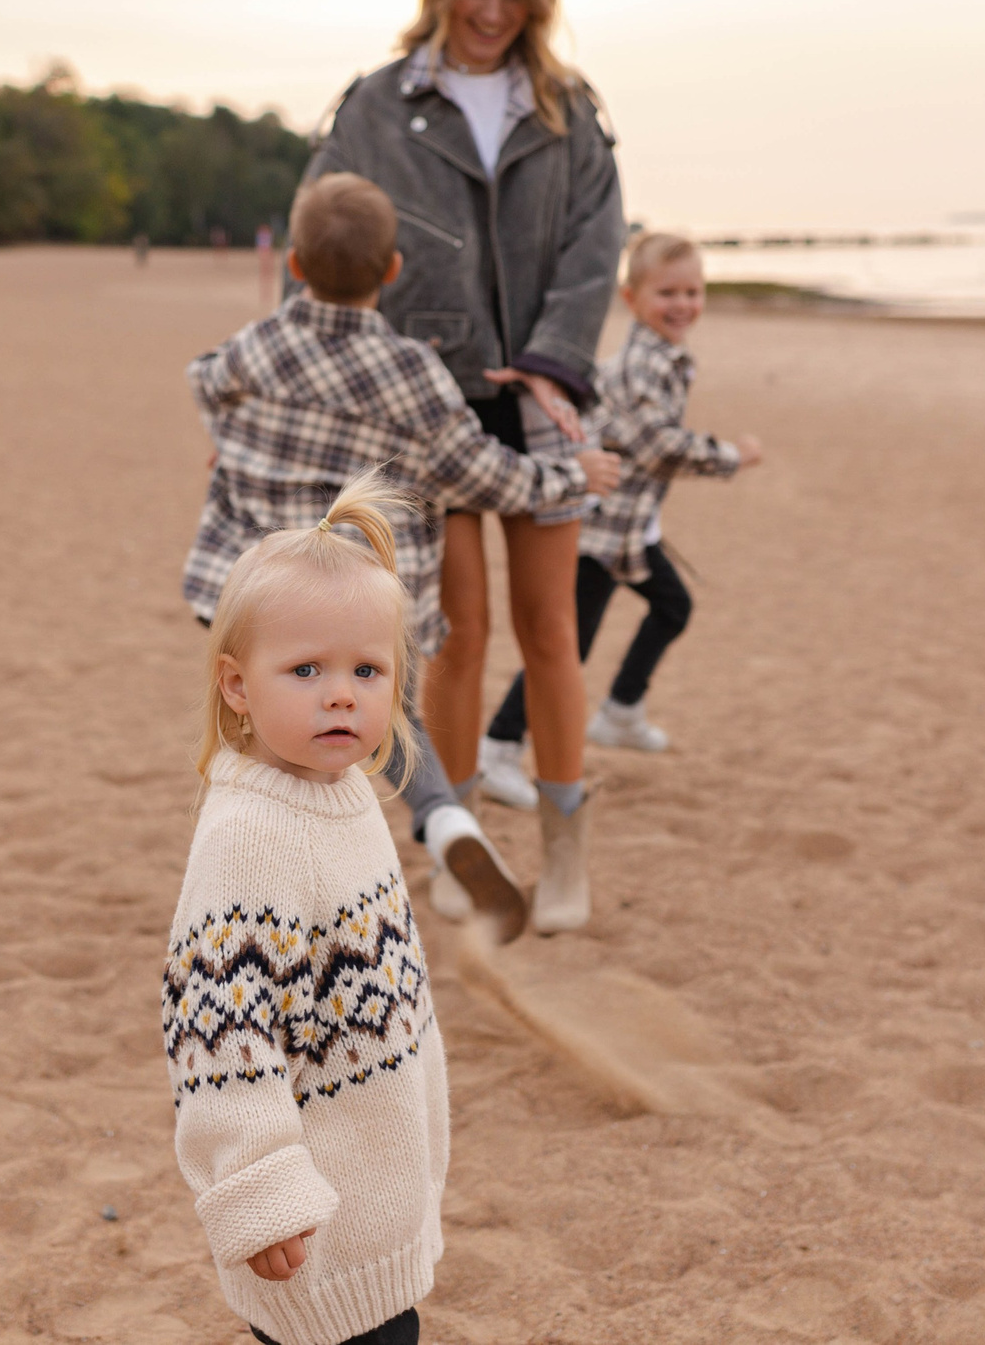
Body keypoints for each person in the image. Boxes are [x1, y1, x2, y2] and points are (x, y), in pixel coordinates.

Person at [300, 0, 624, 934]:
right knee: (453, 633)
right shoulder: (373, 106)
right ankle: (462, 843)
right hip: (422, 404)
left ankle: (565, 856)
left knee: (550, 630)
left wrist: (553, 365)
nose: (490, 11)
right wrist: (317, 382)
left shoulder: (568, 110)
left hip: (544, 401)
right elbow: (322, 231)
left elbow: (595, 247)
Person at [184, 173, 622, 943]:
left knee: (263, 728)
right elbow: (486, 473)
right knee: (385, 720)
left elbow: (204, 381)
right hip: (358, 597)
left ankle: (269, 870)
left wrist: (230, 443)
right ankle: (444, 816)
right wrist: (571, 475)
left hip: (251, 590)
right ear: (392, 270)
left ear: (294, 263)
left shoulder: (254, 348)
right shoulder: (414, 372)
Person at [164, 470, 447, 1345]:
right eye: (306, 670)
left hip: (376, 1202)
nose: (342, 693)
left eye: (368, 669)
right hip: (311, 1232)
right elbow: (220, 1027)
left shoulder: (346, 790)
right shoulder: (251, 835)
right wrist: (260, 1188)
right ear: (237, 685)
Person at [481, 232, 762, 780]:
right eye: (667, 293)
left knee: (672, 606)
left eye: (692, 292)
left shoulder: (666, 358)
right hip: (601, 531)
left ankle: (621, 711)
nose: (682, 305)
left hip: (633, 528)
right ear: (631, 299)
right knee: (569, 644)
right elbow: (658, 444)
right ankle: (498, 746)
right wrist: (734, 456)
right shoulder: (643, 364)